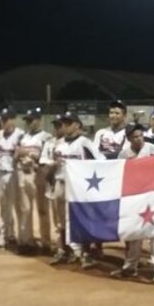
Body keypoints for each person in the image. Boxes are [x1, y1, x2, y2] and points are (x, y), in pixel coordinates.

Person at [113, 123, 154, 284]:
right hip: (135, 197)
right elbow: (119, 175)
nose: (139, 139)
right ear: (129, 138)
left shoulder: (152, 149)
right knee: (134, 232)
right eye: (135, 137)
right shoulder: (124, 154)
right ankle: (130, 266)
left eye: (140, 135)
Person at [51, 111, 106, 269]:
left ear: (77, 125)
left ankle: (86, 254)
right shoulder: (59, 143)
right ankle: (64, 250)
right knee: (61, 220)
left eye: (69, 123)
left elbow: (100, 160)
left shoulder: (85, 142)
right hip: (60, 183)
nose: (65, 126)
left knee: (82, 219)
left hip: (78, 187)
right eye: (64, 123)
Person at [15, 107, 52, 253]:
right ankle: (27, 241)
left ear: (39, 120)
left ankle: (46, 242)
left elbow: (47, 158)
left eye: (31, 120)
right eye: (27, 120)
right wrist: (19, 154)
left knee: (43, 210)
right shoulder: (22, 137)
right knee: (25, 209)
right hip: (23, 173)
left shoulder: (46, 137)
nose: (29, 123)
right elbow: (15, 156)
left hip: (38, 174)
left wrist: (30, 154)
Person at [0, 107, 24, 249]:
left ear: (13, 120)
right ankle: (6, 234)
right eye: (2, 120)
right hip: (1, 173)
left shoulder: (21, 135)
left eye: (6, 119)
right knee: (4, 206)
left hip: (15, 173)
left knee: (18, 205)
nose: (3, 122)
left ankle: (21, 236)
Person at [39, 115, 69, 264]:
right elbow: (44, 164)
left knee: (70, 218)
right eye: (56, 125)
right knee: (58, 219)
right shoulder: (49, 143)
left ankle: (74, 249)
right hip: (53, 183)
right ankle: (61, 248)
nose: (57, 128)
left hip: (70, 185)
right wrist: (53, 166)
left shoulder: (70, 142)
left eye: (60, 125)